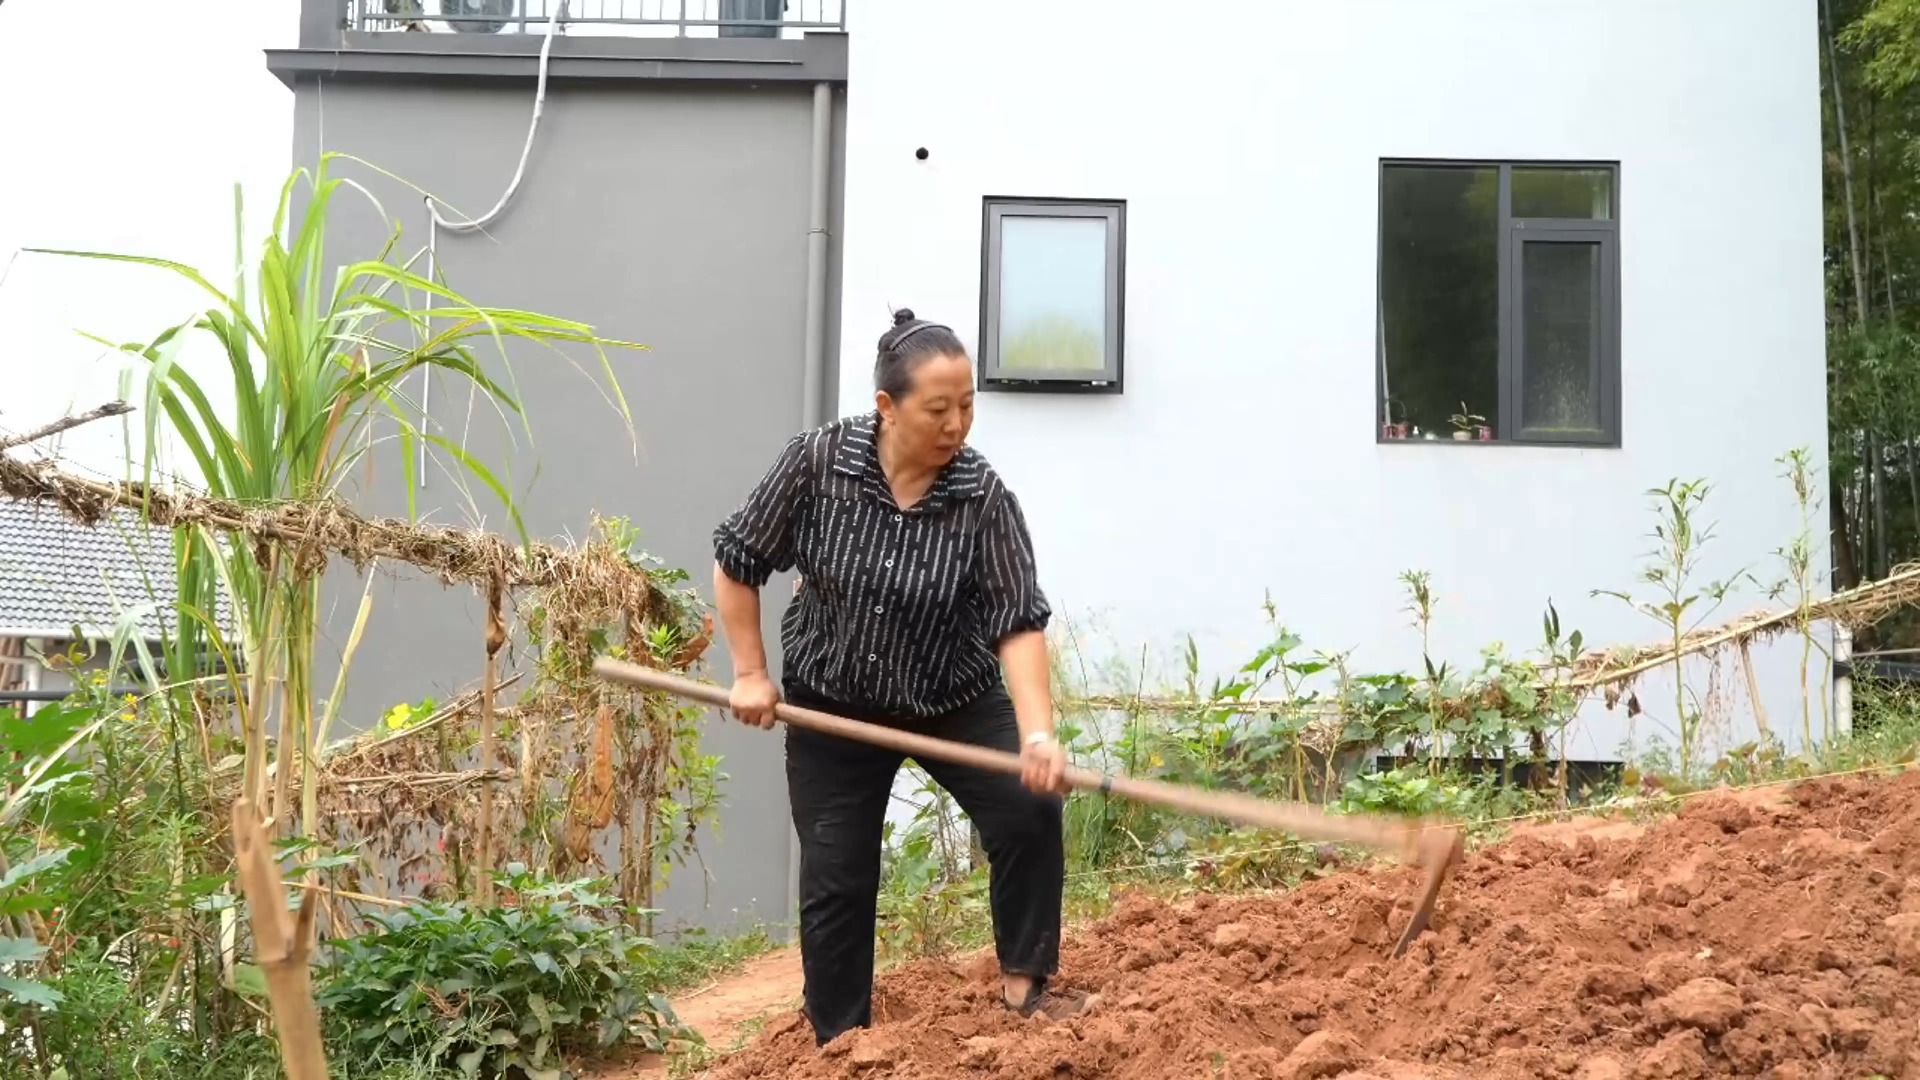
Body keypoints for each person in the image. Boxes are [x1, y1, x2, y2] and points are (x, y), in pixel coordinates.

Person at [709, 308, 1096, 1046]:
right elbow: (738, 562)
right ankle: (841, 1041)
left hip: (950, 696)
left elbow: (1017, 620)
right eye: (939, 409)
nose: (958, 424)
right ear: (888, 406)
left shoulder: (981, 497)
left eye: (969, 406)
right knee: (837, 874)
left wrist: (1038, 732)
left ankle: (1024, 987)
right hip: (836, 703)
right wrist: (752, 673)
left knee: (1027, 810)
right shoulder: (817, 464)